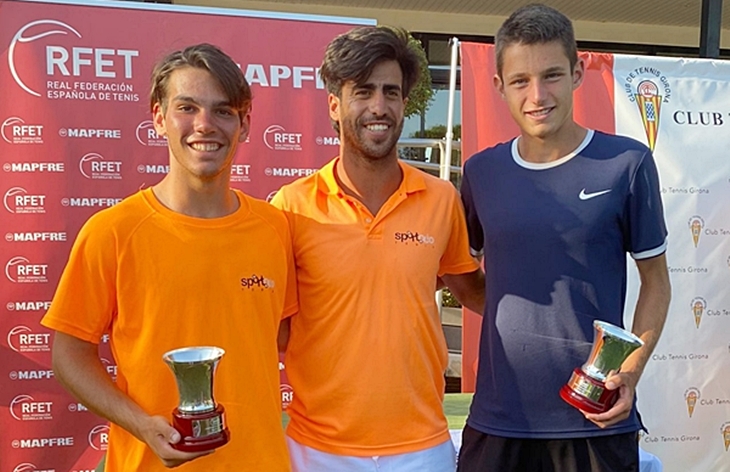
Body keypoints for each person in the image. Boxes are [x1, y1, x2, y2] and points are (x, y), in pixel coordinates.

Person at [42, 43, 296, 472]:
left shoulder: (276, 229)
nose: (204, 125)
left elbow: (287, 339)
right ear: (159, 117)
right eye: (187, 107)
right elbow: (69, 353)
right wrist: (141, 424)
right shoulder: (113, 231)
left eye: (223, 111)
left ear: (244, 124)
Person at [457, 4, 671, 472]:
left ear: (577, 73)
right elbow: (458, 269)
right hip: (498, 421)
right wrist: (510, 310)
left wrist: (629, 371)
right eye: (520, 81)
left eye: (552, 75)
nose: (537, 95)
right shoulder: (480, 172)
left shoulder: (627, 164)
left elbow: (656, 282)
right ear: (499, 87)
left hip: (595, 420)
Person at [271, 26, 485, 472]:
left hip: (422, 449)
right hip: (318, 451)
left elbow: (471, 289)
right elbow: (274, 329)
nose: (378, 107)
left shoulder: (441, 198)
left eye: (391, 92)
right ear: (335, 104)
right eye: (362, 91)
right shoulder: (291, 206)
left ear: (405, 103)